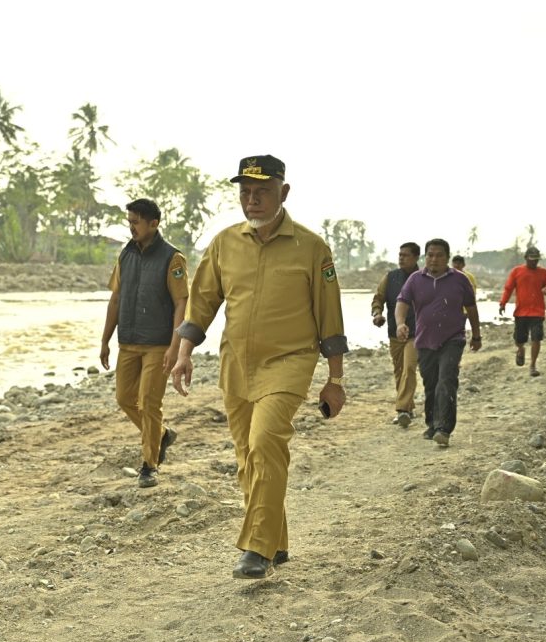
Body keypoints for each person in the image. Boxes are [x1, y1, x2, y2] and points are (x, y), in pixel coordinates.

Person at [170, 155, 348, 580]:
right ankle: (276, 539)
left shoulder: (311, 248)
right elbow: (202, 303)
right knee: (248, 457)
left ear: (283, 192)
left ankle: (257, 549)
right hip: (236, 364)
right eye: (246, 192)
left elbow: (330, 316)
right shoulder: (224, 243)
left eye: (262, 191)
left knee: (265, 441)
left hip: (289, 362)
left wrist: (335, 378)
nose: (252, 200)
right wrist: (183, 352)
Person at [100, 198, 188, 488]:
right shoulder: (125, 254)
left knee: (149, 402)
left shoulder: (172, 258)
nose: (131, 227)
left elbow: (181, 303)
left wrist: (175, 346)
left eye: (136, 222)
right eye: (129, 222)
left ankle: (150, 465)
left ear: (154, 224)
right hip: (128, 341)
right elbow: (115, 299)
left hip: (158, 344)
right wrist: (105, 340)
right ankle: (161, 435)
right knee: (125, 398)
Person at [395, 239, 481, 449]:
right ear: (425, 257)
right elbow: (402, 302)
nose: (434, 259)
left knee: (446, 380)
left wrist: (476, 336)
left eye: (439, 255)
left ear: (447, 257)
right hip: (425, 340)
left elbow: (471, 308)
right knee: (431, 384)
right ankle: (432, 424)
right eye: (430, 255)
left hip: (453, 339)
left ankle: (444, 429)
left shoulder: (459, 280)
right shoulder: (415, 279)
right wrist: (400, 323)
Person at [371, 243, 421, 428]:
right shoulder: (390, 277)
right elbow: (378, 298)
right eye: (400, 255)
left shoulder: (423, 278)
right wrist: (377, 314)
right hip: (394, 332)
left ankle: (402, 410)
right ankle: (408, 407)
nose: (401, 258)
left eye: (405, 255)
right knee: (399, 371)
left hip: (416, 332)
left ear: (416, 257)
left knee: (409, 368)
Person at [499, 246, 546, 377]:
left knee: (537, 337)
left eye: (536, 260)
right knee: (519, 339)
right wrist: (503, 303)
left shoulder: (544, 272)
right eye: (531, 259)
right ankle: (520, 349)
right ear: (526, 258)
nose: (534, 262)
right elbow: (508, 288)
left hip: (537, 311)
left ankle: (533, 365)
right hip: (521, 312)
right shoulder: (517, 271)